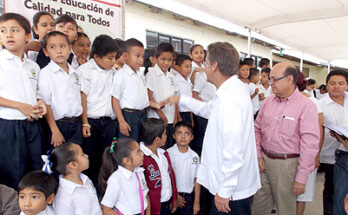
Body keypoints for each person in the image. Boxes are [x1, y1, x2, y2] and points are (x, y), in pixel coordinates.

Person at [167, 42, 261, 215]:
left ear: (215, 65)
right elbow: (208, 109)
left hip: (229, 194)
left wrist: (224, 191)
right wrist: (181, 99)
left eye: (207, 62)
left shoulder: (230, 98)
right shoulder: (228, 91)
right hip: (227, 188)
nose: (204, 66)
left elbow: (234, 150)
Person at [251, 62, 320, 215]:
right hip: (264, 162)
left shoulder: (306, 106)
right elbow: (256, 130)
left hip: (288, 165)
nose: (270, 83)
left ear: (290, 80)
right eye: (270, 79)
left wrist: (301, 178)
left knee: (285, 209)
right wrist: (258, 154)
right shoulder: (268, 102)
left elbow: (309, 145)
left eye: (275, 79)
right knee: (258, 208)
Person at [0, 13, 47, 188]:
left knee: (35, 169)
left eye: (14, 30)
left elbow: (36, 93)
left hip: (32, 125)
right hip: (9, 126)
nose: (8, 35)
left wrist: (40, 103)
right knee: (13, 173)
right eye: (3, 31)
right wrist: (19, 106)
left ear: (28, 36)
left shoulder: (32, 66)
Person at [78, 34, 118, 185]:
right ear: (96, 56)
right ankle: (92, 187)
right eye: (110, 58)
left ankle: (106, 187)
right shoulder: (85, 71)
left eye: (115, 57)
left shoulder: (114, 72)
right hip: (91, 123)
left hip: (108, 122)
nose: (113, 62)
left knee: (108, 157)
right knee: (92, 158)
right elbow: (83, 99)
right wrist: (85, 122)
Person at [37, 31, 83, 147]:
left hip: (76, 124)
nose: (59, 51)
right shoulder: (45, 73)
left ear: (70, 48)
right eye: (52, 47)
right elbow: (46, 104)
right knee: (60, 161)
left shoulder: (76, 73)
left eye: (62, 46)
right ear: (46, 52)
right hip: (58, 125)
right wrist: (55, 130)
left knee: (76, 159)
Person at [317, 70, 348, 215]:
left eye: (341, 83)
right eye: (332, 83)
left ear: (346, 86)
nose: (336, 86)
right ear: (327, 85)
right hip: (330, 155)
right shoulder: (319, 104)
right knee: (331, 191)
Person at [295, 70, 324, 215]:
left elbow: (319, 130)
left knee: (303, 193)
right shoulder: (279, 100)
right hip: (288, 155)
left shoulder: (313, 102)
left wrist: (316, 156)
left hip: (307, 154)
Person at [98, 138, 150, 215]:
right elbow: (106, 209)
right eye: (138, 152)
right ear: (127, 161)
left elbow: (145, 195)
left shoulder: (139, 172)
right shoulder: (116, 180)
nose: (143, 154)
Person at [112, 38, 150, 141]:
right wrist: (121, 121)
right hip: (129, 116)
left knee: (140, 145)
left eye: (143, 56)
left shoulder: (140, 75)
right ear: (125, 56)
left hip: (142, 115)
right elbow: (115, 99)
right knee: (128, 146)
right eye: (137, 56)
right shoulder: (120, 75)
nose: (141, 60)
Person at [140, 118, 178, 215]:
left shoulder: (163, 153)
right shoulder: (140, 158)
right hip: (152, 208)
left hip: (166, 201)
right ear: (157, 139)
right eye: (165, 134)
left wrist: (174, 198)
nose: (166, 136)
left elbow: (171, 176)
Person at [51, 142, 102, 215]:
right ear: (73, 165)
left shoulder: (85, 179)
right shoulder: (64, 196)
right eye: (82, 154)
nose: (86, 156)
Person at [146, 43, 179, 149]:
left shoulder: (172, 77)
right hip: (156, 120)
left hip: (170, 119)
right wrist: (161, 115)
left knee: (168, 147)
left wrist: (175, 117)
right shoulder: (151, 74)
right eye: (163, 59)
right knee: (157, 147)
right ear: (156, 58)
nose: (166, 62)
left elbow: (175, 98)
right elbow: (149, 97)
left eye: (169, 60)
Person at [167, 122, 200, 215]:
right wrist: (175, 195)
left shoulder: (195, 156)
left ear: (192, 137)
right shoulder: (168, 154)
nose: (183, 137)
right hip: (172, 197)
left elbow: (197, 179)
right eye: (179, 133)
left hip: (188, 198)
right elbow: (166, 178)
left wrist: (196, 202)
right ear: (174, 135)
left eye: (187, 134)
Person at [175, 54, 194, 126]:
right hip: (180, 113)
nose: (189, 69)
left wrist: (191, 118)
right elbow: (175, 102)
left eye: (190, 66)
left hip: (188, 112)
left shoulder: (188, 81)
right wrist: (178, 117)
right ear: (178, 67)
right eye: (186, 67)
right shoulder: (176, 80)